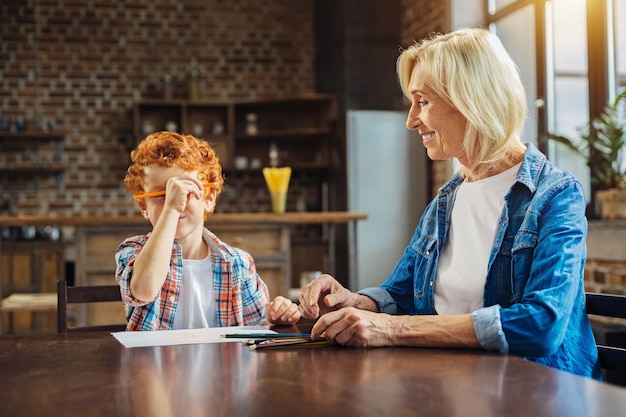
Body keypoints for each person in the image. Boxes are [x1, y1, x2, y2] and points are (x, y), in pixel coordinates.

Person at [299, 28, 601, 379]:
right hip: (453, 384)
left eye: (422, 101)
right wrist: (353, 303)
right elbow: (400, 293)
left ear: (471, 99)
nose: (411, 120)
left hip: (534, 392)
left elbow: (541, 325)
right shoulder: (447, 199)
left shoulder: (556, 195)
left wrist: (392, 330)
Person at [115, 131, 300, 330]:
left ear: (209, 198)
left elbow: (259, 326)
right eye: (162, 194)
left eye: (187, 190)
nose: (178, 201)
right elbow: (144, 290)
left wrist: (276, 317)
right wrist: (171, 209)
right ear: (143, 207)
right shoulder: (133, 251)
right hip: (154, 362)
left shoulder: (238, 264)